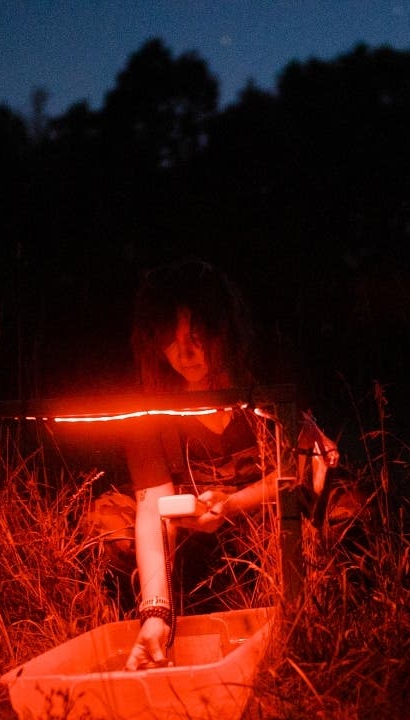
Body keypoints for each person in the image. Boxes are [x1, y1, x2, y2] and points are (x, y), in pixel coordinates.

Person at [115, 258, 289, 670]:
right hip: (194, 548)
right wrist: (155, 612)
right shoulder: (153, 410)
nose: (185, 353)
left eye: (196, 336)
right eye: (170, 340)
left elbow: (305, 466)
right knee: (109, 525)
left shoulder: (262, 391)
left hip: (269, 530)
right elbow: (151, 505)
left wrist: (235, 503)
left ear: (222, 329)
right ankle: (149, 631)